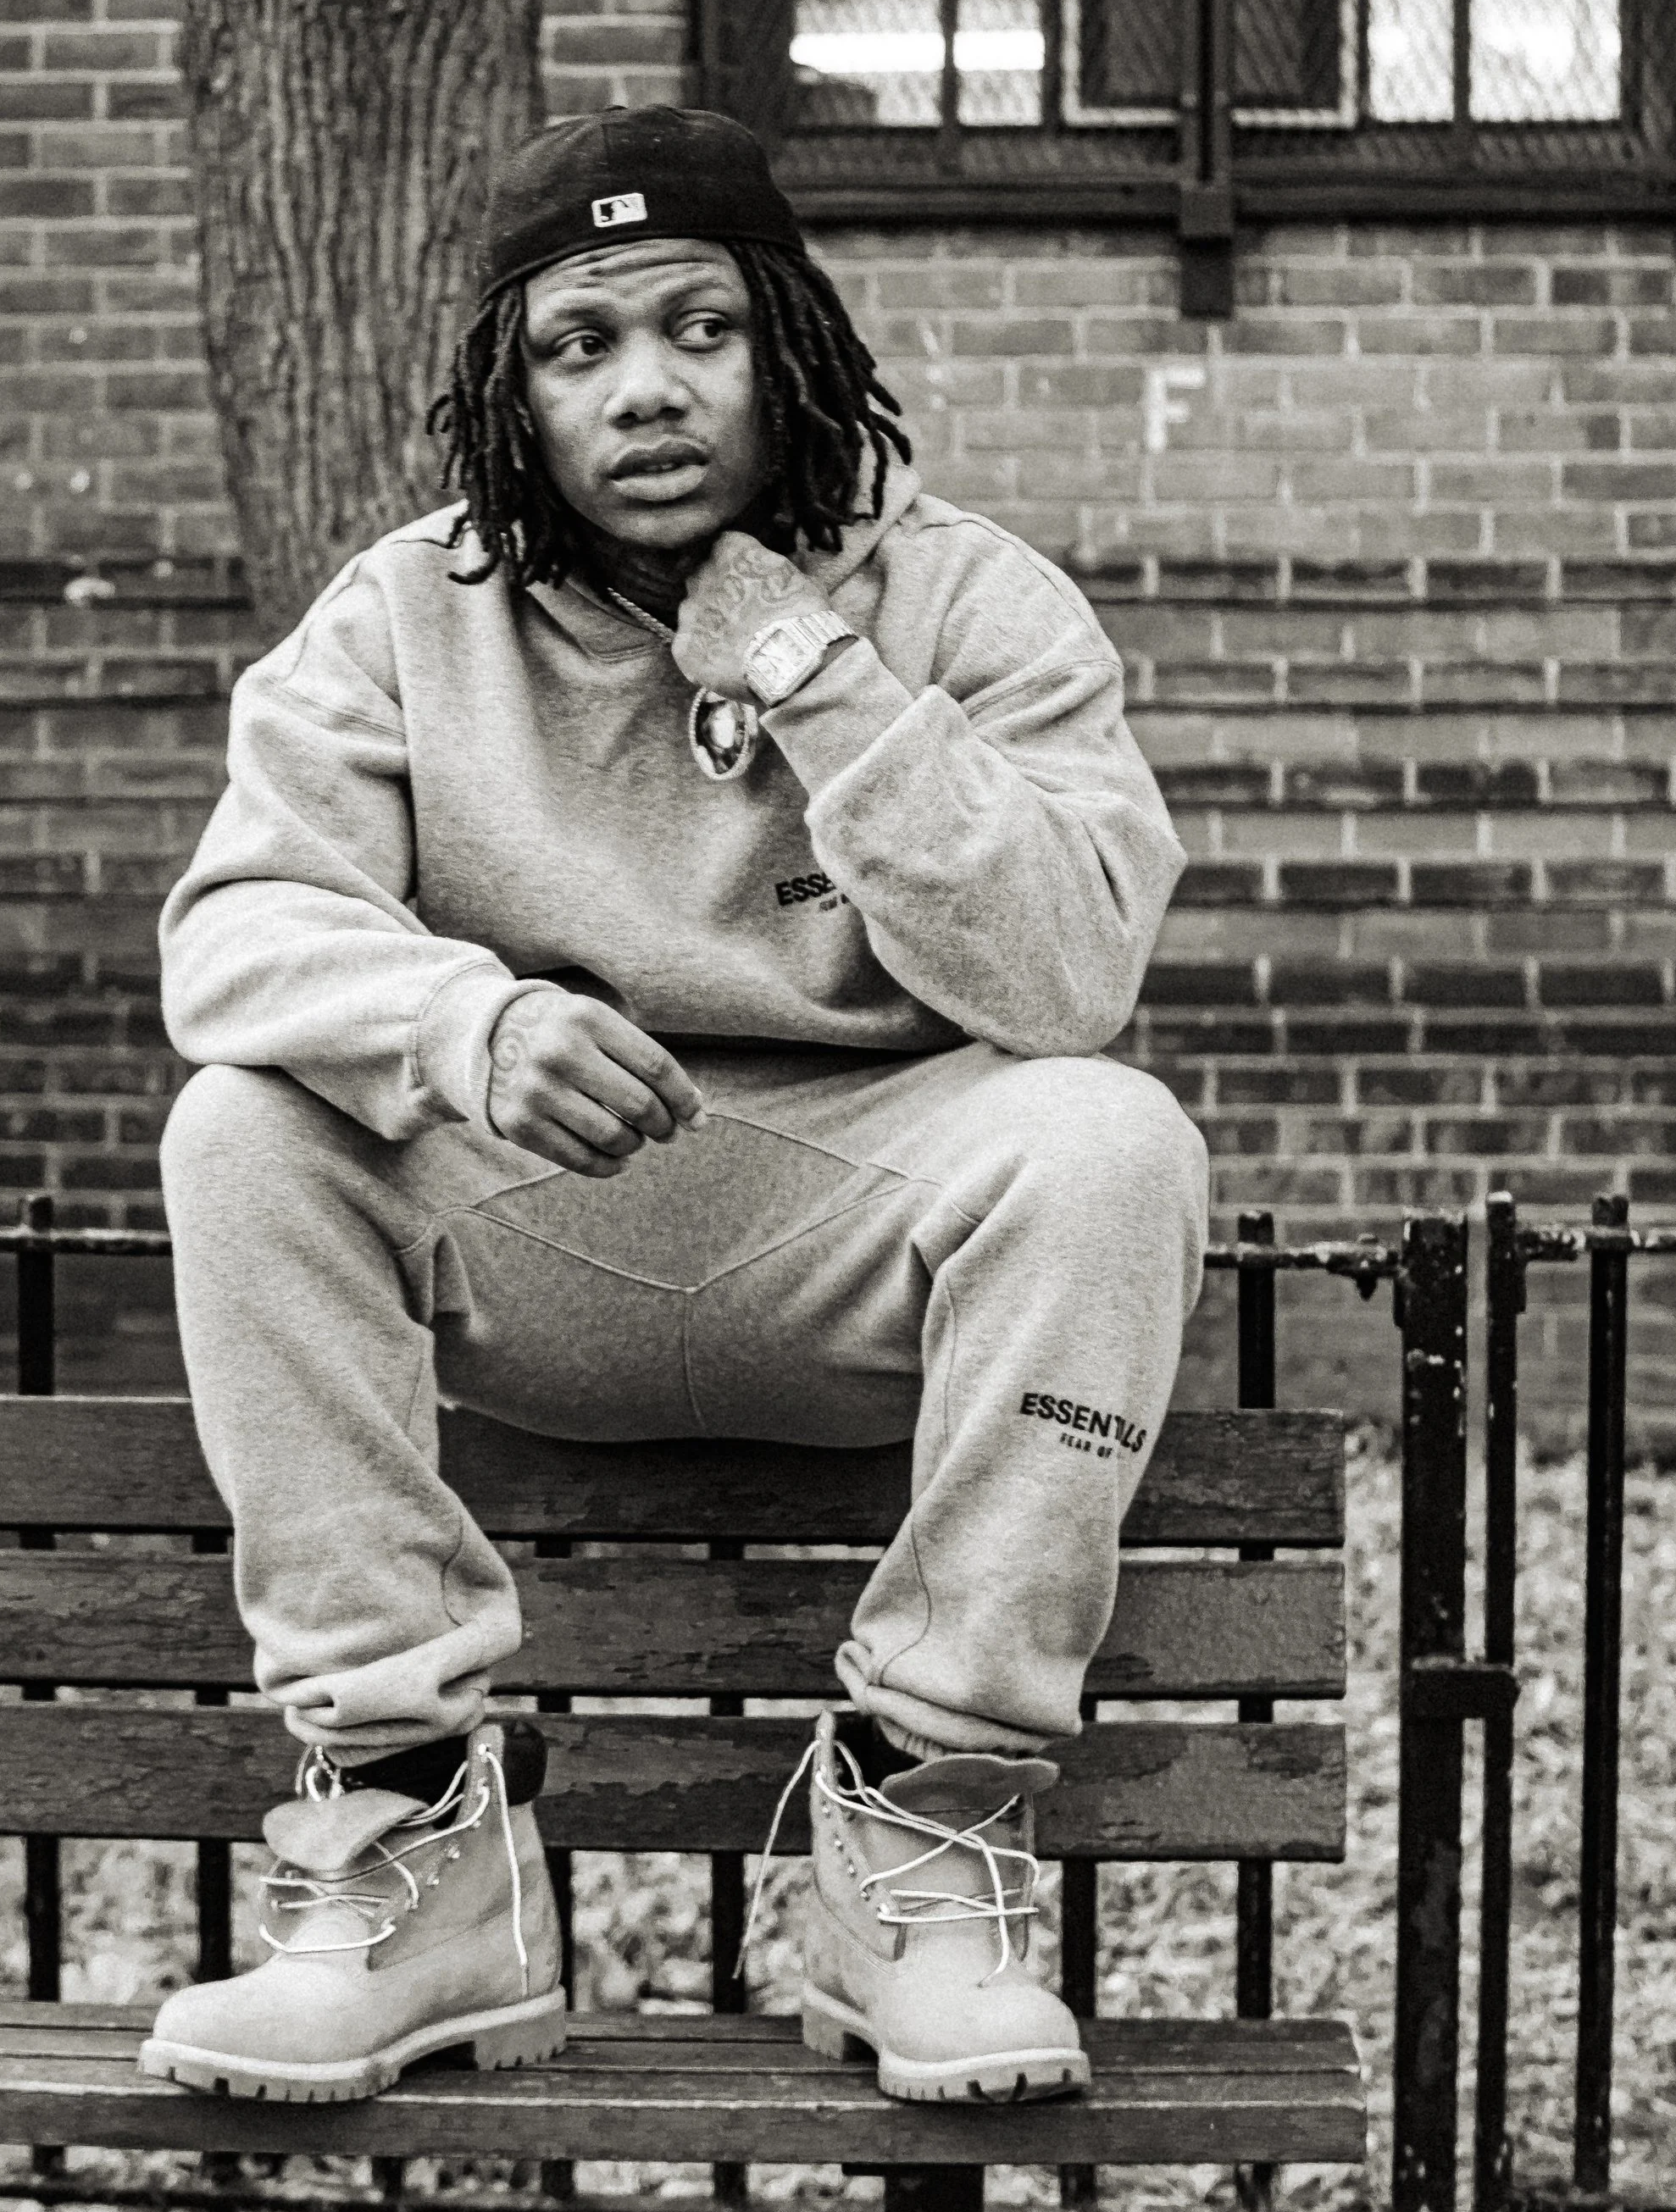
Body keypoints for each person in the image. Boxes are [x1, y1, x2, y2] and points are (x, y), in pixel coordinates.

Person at [140, 106, 1209, 2111]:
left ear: (783, 344)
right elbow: (237, 929)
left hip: (865, 1242)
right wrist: (462, 1024)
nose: (643, 387)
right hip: (540, 1228)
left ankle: (913, 1844)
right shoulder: (403, 614)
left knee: (1109, 1138)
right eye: (581, 344)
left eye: (696, 328)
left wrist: (815, 670)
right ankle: (412, 1848)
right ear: (514, 390)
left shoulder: (972, 602)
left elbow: (1069, 975)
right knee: (243, 1128)